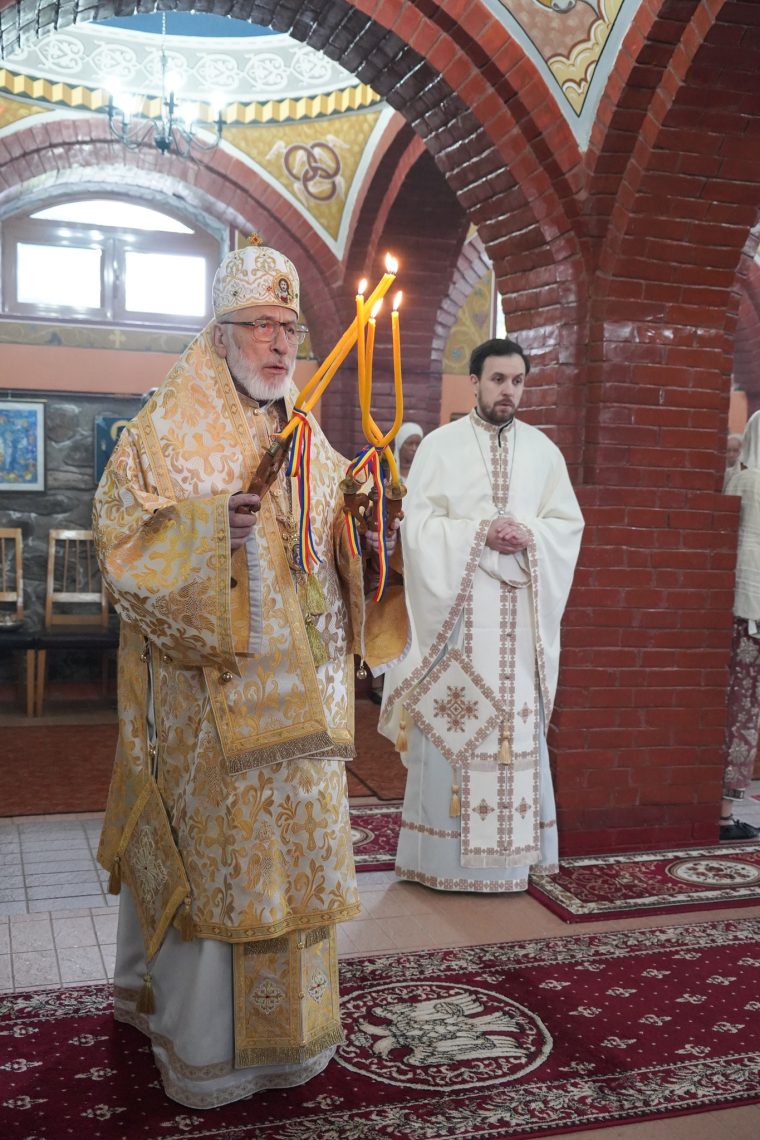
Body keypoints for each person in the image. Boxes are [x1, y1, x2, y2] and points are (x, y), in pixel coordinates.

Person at [92, 238, 403, 1107]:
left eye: (289, 329)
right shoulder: (165, 428)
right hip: (211, 712)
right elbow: (119, 540)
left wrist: (365, 515)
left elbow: (332, 546)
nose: (278, 343)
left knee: (292, 865)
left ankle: (289, 1042)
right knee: (222, 863)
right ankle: (205, 1049)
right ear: (221, 333)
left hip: (303, 714)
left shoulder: (301, 433)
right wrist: (204, 533)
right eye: (260, 325)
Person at [379, 336, 584, 891]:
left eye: (517, 381)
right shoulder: (440, 448)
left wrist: (531, 534)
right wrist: (479, 533)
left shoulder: (543, 452)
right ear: (474, 382)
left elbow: (567, 526)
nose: (508, 391)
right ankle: (439, 864)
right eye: (497, 379)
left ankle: (511, 864)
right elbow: (416, 529)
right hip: (458, 624)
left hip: (518, 631)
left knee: (514, 736)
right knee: (451, 735)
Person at [720, 411, 760, 841]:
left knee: (736, 706)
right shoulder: (754, 481)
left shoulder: (739, 477)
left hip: (737, 608)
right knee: (743, 711)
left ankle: (723, 810)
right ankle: (724, 814)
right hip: (751, 614)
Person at [368, 421, 425, 705]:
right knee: (385, 615)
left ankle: (409, 675)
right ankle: (380, 681)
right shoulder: (390, 479)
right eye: (409, 443)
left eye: (418, 443)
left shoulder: (424, 478)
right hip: (390, 556)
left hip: (416, 558)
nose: (413, 449)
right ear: (400, 445)